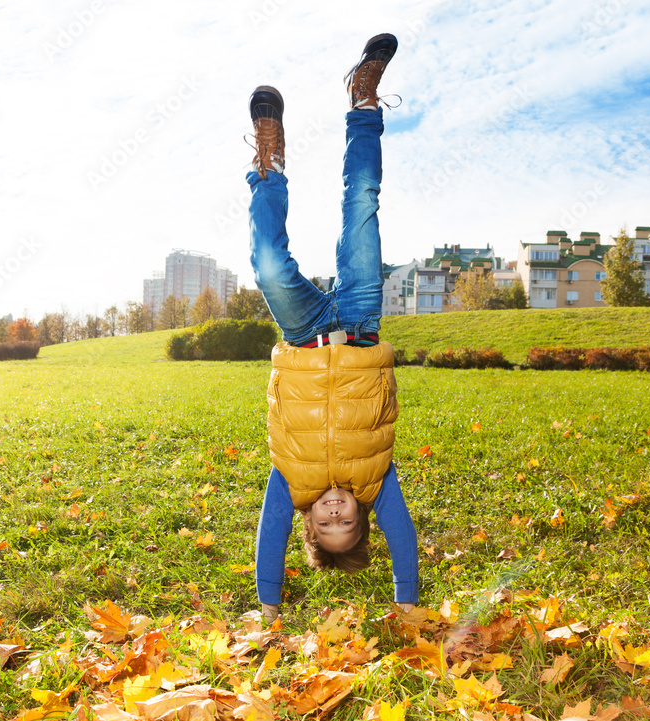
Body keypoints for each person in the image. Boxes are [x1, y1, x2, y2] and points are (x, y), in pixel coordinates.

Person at [246, 33, 419, 623]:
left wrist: (270, 609)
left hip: (303, 336)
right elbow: (405, 541)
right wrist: (408, 607)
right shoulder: (376, 482)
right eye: (348, 521)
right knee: (363, 202)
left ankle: (268, 164)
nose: (337, 510)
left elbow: (270, 542)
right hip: (363, 323)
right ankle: (364, 102)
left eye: (327, 523)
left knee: (268, 265)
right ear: (364, 517)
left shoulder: (289, 482)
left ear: (310, 524)